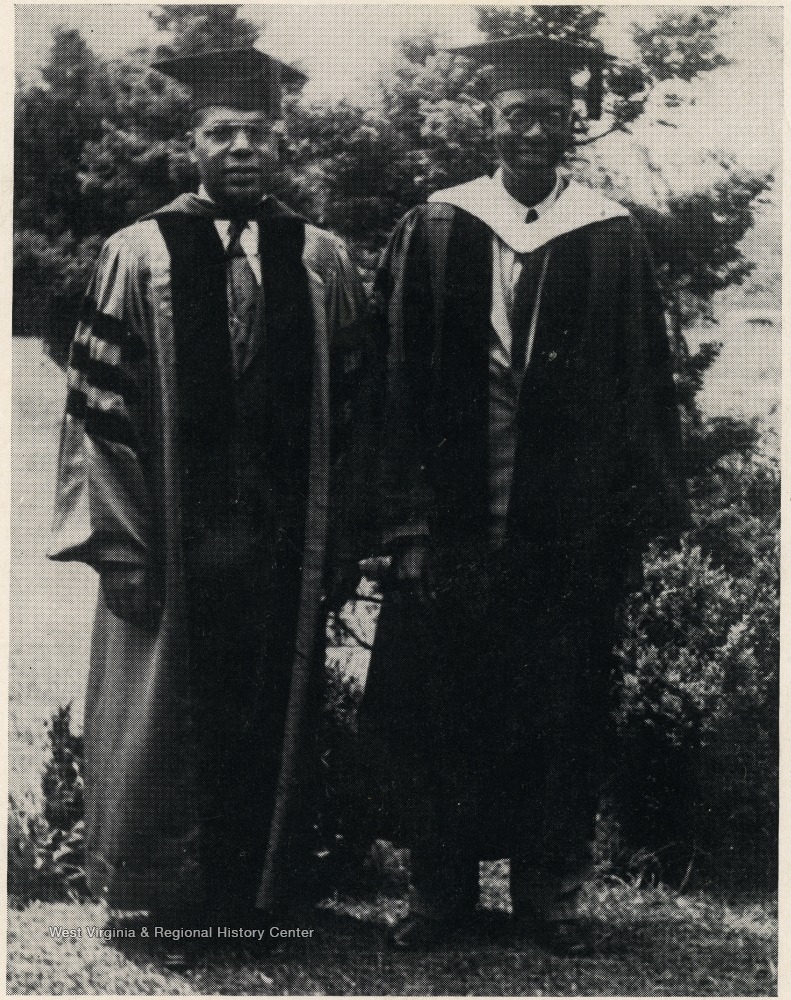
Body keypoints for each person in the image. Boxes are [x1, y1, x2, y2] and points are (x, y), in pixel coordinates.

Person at [360, 34, 687, 954]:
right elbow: (395, 388)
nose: (534, 131)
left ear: (572, 124)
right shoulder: (435, 226)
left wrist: (629, 522)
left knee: (561, 708)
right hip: (454, 525)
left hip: (568, 530)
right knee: (440, 709)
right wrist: (406, 525)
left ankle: (550, 898)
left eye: (551, 114)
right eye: (517, 115)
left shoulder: (610, 235)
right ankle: (440, 895)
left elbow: (645, 387)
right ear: (489, 122)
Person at [49, 47, 372, 952]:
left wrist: (339, 541)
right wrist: (118, 544)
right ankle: (164, 902)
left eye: (259, 135)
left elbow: (353, 413)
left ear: (284, 145)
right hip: (167, 539)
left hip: (280, 542)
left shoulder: (321, 257)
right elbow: (97, 416)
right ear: (188, 142)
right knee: (163, 722)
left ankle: (262, 897)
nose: (241, 149)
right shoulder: (136, 253)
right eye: (221, 133)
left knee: (270, 708)